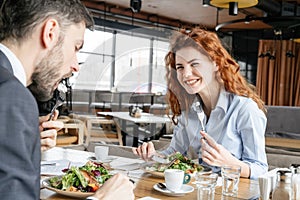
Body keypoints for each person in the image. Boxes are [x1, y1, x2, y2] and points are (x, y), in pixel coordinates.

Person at [0, 1, 134, 199]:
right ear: (50, 33)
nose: (75, 66)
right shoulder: (12, 94)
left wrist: (25, 140)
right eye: (76, 47)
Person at [133, 27, 268, 180]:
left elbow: (261, 169)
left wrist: (229, 163)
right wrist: (153, 156)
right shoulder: (188, 112)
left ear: (216, 64)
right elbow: (174, 154)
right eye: (180, 67)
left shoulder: (244, 109)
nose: (186, 74)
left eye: (194, 64)